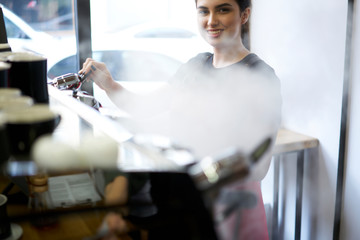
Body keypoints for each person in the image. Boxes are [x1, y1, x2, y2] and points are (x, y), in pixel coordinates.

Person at [80, 0, 281, 239]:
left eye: (223, 9)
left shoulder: (259, 76)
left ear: (245, 14)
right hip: (184, 200)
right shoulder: (196, 65)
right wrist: (108, 84)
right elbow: (146, 108)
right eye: (204, 11)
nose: (211, 20)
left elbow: (258, 166)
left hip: (230, 209)